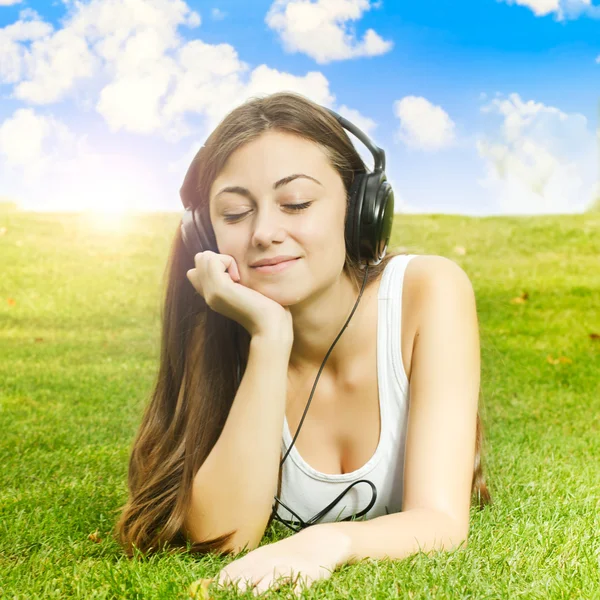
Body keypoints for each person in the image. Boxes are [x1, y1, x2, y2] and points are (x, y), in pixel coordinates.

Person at [114, 91, 491, 566]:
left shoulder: (429, 292)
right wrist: (270, 337)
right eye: (234, 213)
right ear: (205, 234)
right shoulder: (219, 323)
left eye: (295, 203)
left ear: (361, 211)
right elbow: (222, 536)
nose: (264, 232)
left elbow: (440, 521)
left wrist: (324, 545)